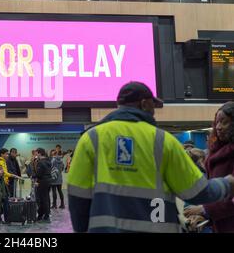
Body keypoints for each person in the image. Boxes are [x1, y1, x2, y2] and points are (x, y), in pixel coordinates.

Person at [68, 81, 234, 233]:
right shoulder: (163, 141)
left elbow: (77, 197)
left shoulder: (91, 138)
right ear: (145, 103)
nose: (154, 112)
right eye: (153, 106)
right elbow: (197, 191)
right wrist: (227, 184)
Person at [184, 102, 234, 233]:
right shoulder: (216, 151)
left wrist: (205, 210)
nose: (218, 127)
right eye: (217, 122)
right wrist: (204, 217)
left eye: (224, 122)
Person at [0, 148, 21, 224]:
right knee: (4, 201)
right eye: (6, 154)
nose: (7, 155)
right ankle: (5, 219)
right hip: (2, 184)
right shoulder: (1, 162)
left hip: (2, 183)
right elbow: (5, 173)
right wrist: (14, 175)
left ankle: (0, 218)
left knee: (1, 201)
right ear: (2, 154)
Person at [33, 147, 52, 223]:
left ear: (40, 153)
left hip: (42, 182)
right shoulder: (48, 161)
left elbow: (39, 174)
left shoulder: (41, 162)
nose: (36, 154)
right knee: (46, 198)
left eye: (36, 153)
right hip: (48, 181)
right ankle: (44, 215)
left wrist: (33, 175)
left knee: (42, 199)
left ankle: (44, 216)